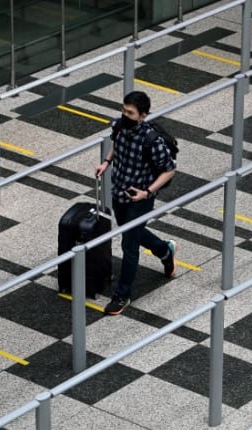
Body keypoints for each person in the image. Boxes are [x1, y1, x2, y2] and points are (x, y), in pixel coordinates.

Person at [95, 91, 177, 316]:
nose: (125, 115)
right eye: (124, 110)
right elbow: (115, 145)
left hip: (140, 198)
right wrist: (106, 163)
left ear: (142, 116)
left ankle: (122, 295)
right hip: (119, 192)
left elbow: (169, 170)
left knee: (129, 245)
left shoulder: (152, 141)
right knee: (131, 232)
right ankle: (165, 250)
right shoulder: (119, 126)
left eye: (130, 113)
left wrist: (147, 192)